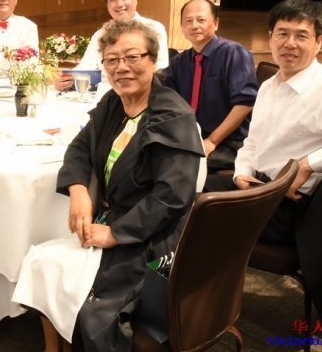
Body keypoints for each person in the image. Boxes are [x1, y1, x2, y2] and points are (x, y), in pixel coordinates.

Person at [208, 0, 322, 331]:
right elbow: (252, 143)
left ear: (318, 42)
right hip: (257, 188)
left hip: (289, 210)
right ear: (270, 37)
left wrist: (309, 164)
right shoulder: (269, 86)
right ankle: (178, 286)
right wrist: (241, 174)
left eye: (301, 36)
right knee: (178, 190)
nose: (289, 43)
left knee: (191, 212)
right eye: (282, 33)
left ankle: (192, 300)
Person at [46, 18, 204, 350]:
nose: (122, 68)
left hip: (151, 235)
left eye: (132, 57)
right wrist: (78, 190)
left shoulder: (172, 116)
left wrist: (116, 233)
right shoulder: (113, 104)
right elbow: (79, 147)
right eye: (112, 60)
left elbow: (172, 196)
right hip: (112, 218)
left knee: (93, 309)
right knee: (45, 266)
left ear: (153, 61)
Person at [161, 0, 257, 172]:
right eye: (188, 21)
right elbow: (162, 93)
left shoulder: (234, 53)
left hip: (229, 142)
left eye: (201, 20)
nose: (194, 26)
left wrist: (212, 140)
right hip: (193, 137)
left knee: (180, 166)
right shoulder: (180, 61)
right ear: (182, 27)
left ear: (216, 23)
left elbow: (245, 103)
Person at [53, 0, 169, 92]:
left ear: (135, 0)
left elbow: (161, 68)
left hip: (142, 92)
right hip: (107, 93)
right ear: (107, 5)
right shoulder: (100, 35)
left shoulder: (154, 29)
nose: (119, 4)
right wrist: (65, 78)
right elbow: (85, 66)